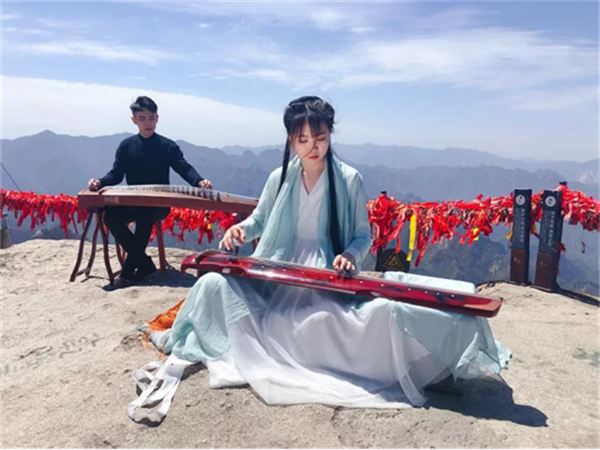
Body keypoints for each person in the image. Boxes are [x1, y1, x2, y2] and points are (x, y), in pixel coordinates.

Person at [128, 96, 510, 423]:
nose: (313, 147)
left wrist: (349, 255)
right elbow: (259, 219)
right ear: (291, 140)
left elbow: (363, 236)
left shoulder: (349, 179)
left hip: (325, 272)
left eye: (321, 137)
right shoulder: (280, 177)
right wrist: (239, 229)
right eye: (303, 140)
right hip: (276, 268)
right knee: (212, 283)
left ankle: (431, 364)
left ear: (330, 135)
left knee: (360, 317)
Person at [88, 96, 213, 288]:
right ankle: (145, 264)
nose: (147, 123)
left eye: (151, 118)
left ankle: (128, 273)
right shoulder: (126, 146)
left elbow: (183, 167)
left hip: (158, 205)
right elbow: (116, 174)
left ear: (157, 118)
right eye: (142, 118)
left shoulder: (167, 146)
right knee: (111, 217)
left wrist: (199, 181)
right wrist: (100, 182)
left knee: (144, 215)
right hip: (132, 202)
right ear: (134, 120)